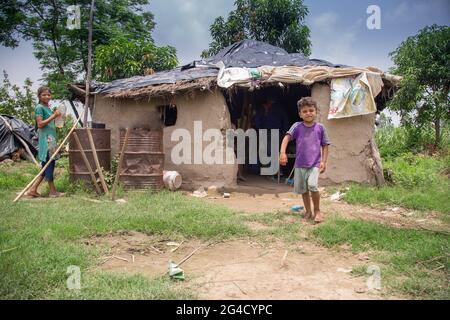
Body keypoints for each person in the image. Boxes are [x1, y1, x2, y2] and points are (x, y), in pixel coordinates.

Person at [279, 97, 330, 223]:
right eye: (305, 111)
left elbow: (325, 145)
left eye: (311, 110)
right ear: (300, 114)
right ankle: (308, 211)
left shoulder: (320, 128)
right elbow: (286, 138)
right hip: (300, 165)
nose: (308, 113)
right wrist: (282, 153)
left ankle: (317, 211)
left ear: (316, 112)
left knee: (313, 186)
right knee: (304, 190)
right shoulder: (297, 127)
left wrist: (323, 161)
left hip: (314, 164)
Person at [27, 86, 64, 198]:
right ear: (39, 96)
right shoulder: (39, 107)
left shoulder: (47, 107)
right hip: (46, 140)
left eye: (48, 94)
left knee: (46, 165)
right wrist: (54, 116)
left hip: (51, 139)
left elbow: (53, 123)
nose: (47, 96)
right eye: (44, 94)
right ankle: (52, 191)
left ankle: (32, 189)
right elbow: (40, 124)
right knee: (50, 164)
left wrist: (59, 118)